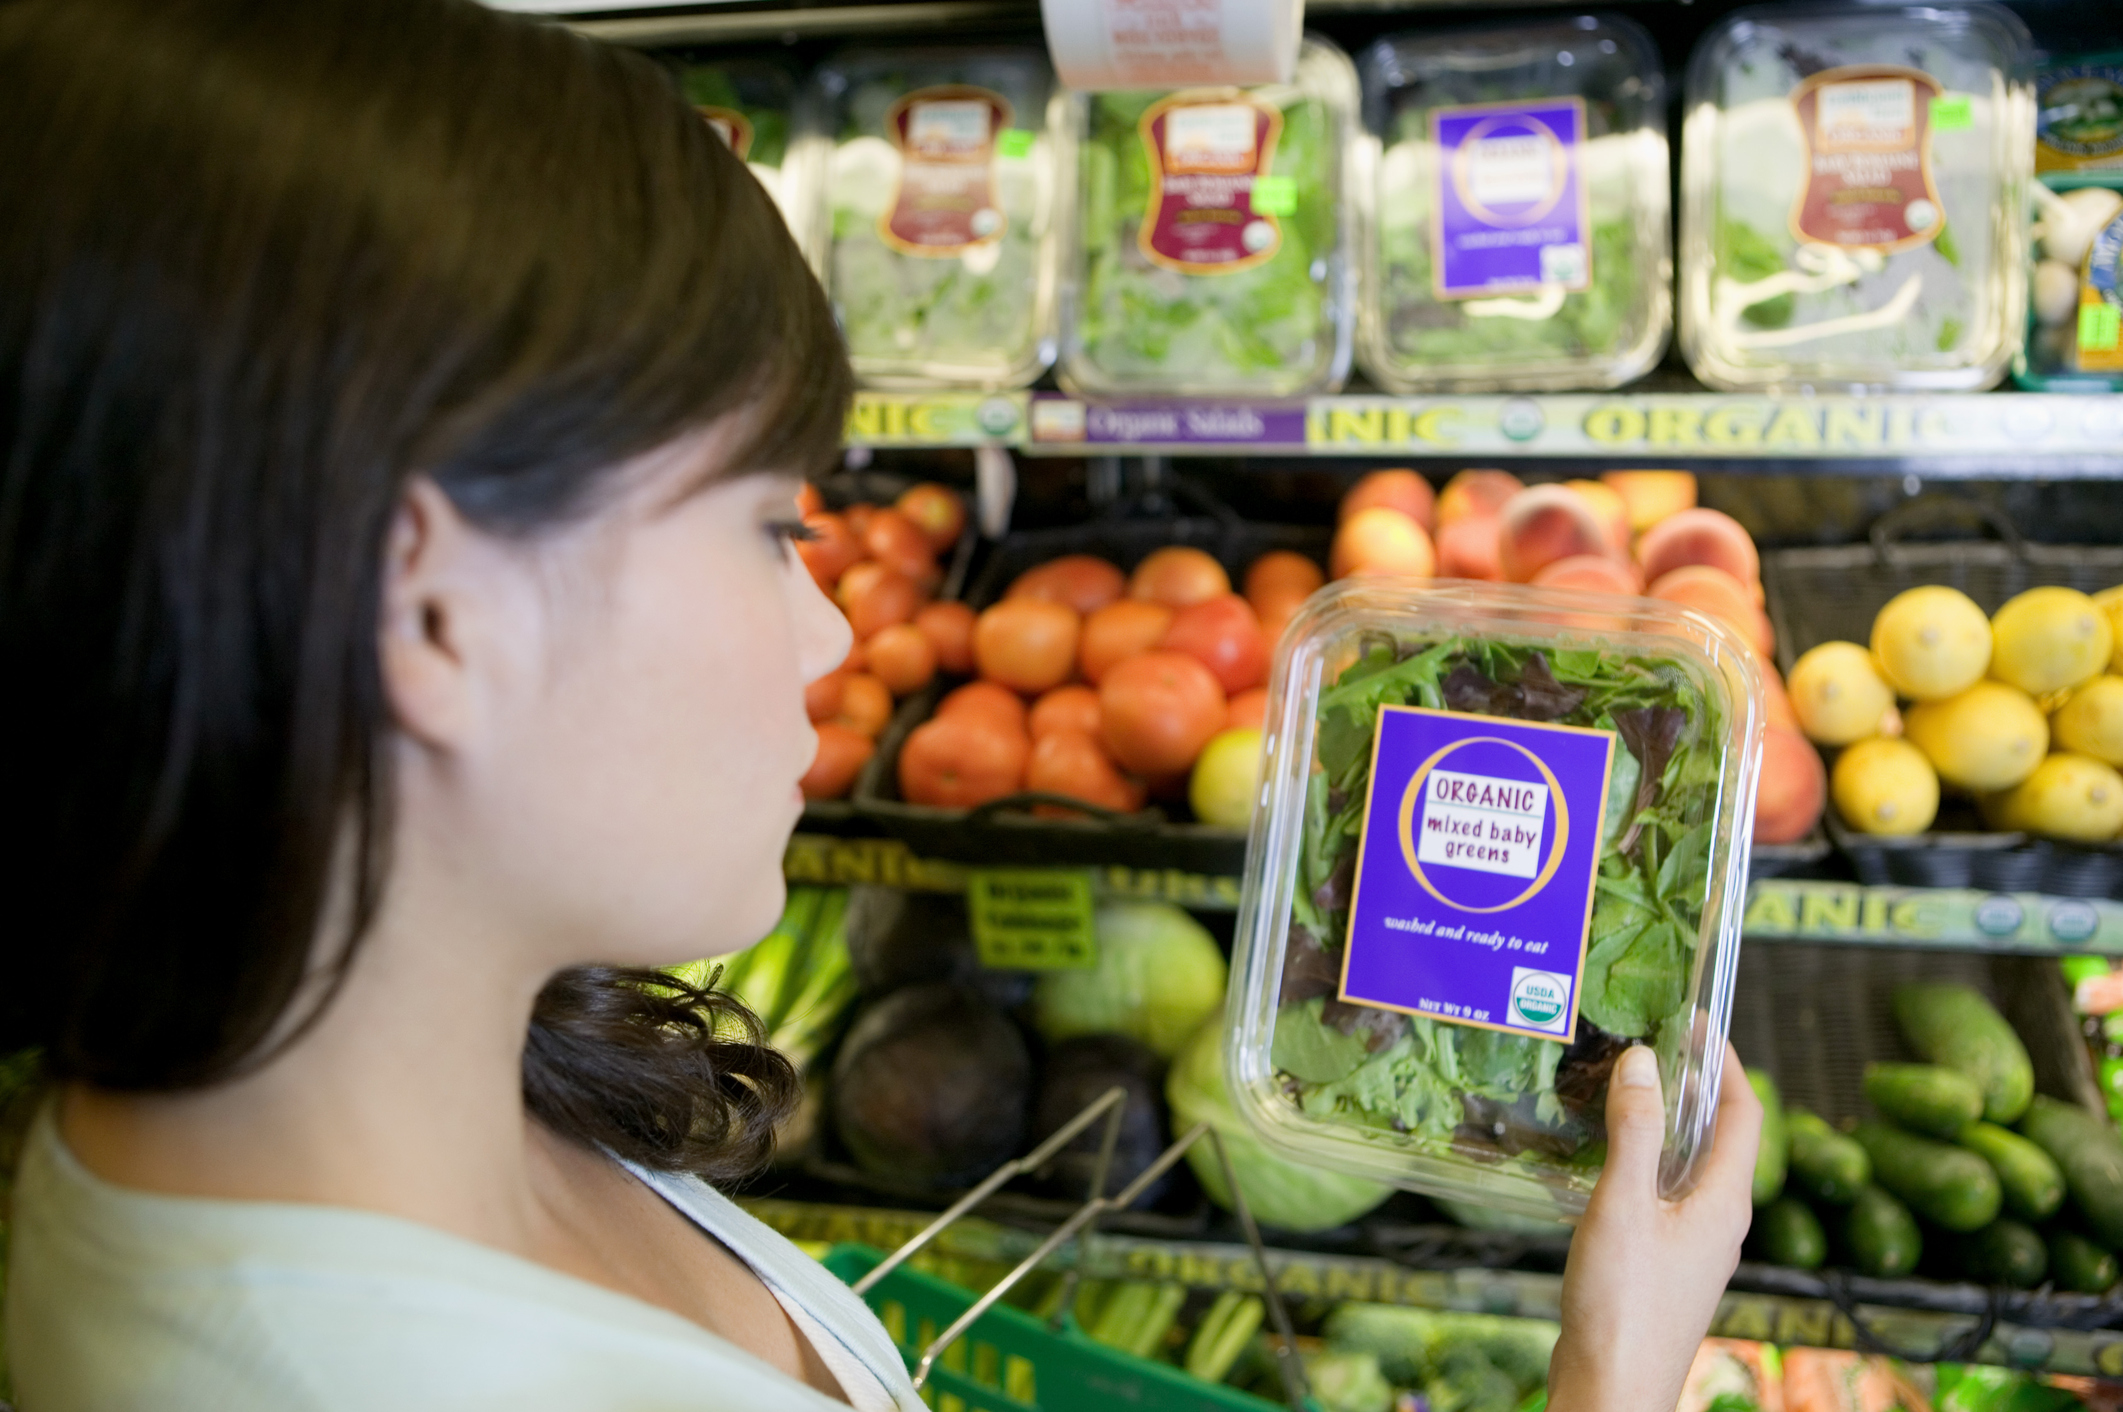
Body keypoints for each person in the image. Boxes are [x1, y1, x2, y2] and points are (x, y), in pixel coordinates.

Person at [0, 0, 1761, 1408]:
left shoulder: (355, 1100)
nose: (833, 638)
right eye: (772, 526)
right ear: (435, 607)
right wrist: (1613, 1376)